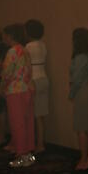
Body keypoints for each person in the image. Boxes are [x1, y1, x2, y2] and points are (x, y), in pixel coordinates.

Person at [0, 24, 35, 167]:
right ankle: (28, 154)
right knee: (27, 122)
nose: (4, 37)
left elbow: (7, 73)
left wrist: (1, 87)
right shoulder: (24, 50)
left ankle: (21, 155)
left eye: (5, 35)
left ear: (11, 36)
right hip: (27, 88)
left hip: (15, 90)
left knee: (17, 123)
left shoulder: (12, 51)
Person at [69, 27, 88, 170]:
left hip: (83, 92)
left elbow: (77, 79)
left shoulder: (80, 57)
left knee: (82, 128)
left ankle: (85, 158)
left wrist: (71, 94)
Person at [25, 19, 49, 153]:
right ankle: (41, 143)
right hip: (44, 78)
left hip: (33, 80)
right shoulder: (43, 45)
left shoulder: (28, 46)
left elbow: (26, 65)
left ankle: (36, 144)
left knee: (33, 114)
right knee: (41, 115)